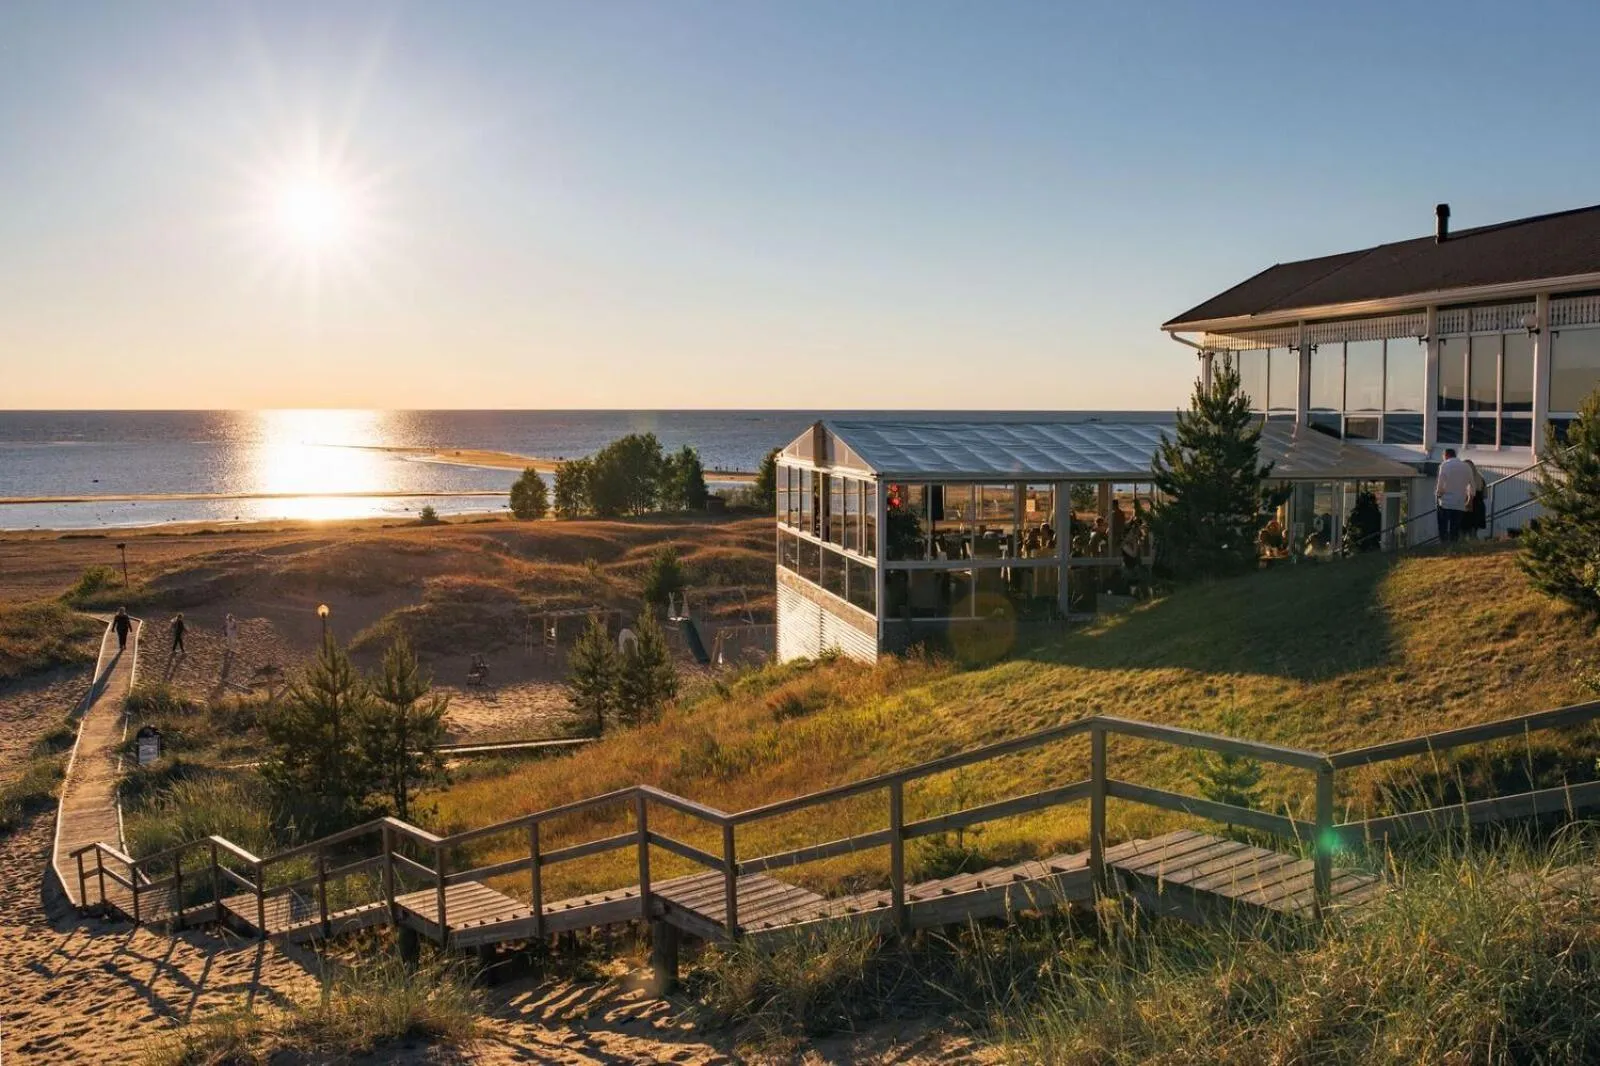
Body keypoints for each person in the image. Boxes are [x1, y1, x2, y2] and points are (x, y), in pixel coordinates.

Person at [1435, 448, 1474, 544]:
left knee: (1443, 526)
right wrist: (1469, 499)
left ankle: (1444, 544)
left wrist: (1439, 494)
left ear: (1446, 455)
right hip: (1460, 502)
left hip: (1446, 501)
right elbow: (1472, 485)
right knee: (1455, 527)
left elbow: (1440, 483)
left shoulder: (1445, 465)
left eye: (1443, 457)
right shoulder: (1466, 466)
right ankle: (1454, 544)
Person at [1463, 459, 1488, 537]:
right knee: (1473, 532)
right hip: (1479, 507)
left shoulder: (1465, 478)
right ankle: (1474, 547)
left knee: (1463, 531)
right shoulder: (1481, 477)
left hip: (1467, 506)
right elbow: (1485, 495)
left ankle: (1462, 547)